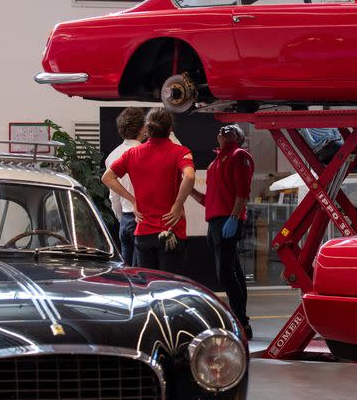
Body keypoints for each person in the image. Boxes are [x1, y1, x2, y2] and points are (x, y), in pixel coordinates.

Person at [102, 108, 195, 274]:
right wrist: (178, 204)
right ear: (170, 129)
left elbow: (107, 178)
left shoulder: (132, 154)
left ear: (147, 129)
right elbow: (189, 176)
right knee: (170, 287)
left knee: (146, 286)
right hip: (171, 231)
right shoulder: (180, 152)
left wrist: (133, 200)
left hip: (144, 231)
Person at [190, 124, 254, 339]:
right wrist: (188, 188)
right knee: (232, 270)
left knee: (225, 273)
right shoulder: (214, 163)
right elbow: (208, 200)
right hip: (216, 223)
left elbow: (242, 191)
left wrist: (235, 217)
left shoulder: (239, 156)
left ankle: (240, 321)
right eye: (223, 129)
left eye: (232, 130)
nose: (226, 131)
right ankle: (242, 321)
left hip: (227, 220)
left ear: (239, 137)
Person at [104, 107, 147, 265]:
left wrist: (121, 217)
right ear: (142, 128)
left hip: (125, 219)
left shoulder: (112, 155)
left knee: (126, 273)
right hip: (142, 219)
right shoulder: (145, 153)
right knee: (141, 273)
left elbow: (113, 195)